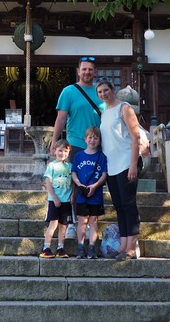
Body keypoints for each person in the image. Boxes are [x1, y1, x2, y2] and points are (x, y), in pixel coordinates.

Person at [96, 78, 141, 261]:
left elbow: (135, 136)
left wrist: (133, 164)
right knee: (119, 207)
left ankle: (131, 247)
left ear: (112, 90)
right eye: (99, 92)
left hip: (125, 163)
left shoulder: (124, 108)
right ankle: (123, 245)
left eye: (106, 90)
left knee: (129, 205)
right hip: (111, 165)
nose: (103, 94)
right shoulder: (105, 112)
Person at [51, 57, 103, 156]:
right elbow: (61, 118)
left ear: (95, 72)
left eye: (90, 69)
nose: (87, 72)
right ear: (78, 71)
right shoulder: (68, 91)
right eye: (84, 69)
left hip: (98, 143)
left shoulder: (101, 91)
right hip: (76, 143)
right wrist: (54, 141)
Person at [71, 126, 108, 259]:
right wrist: (78, 184)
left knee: (93, 221)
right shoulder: (79, 155)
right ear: (85, 139)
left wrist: (96, 185)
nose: (93, 140)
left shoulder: (102, 156)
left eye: (96, 138)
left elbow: (104, 174)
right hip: (81, 194)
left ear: (99, 140)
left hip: (96, 194)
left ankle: (92, 247)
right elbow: (74, 172)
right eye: (90, 137)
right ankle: (81, 247)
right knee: (82, 221)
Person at [39, 139, 74, 259]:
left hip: (66, 200)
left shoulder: (70, 167)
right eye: (60, 150)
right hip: (55, 200)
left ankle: (60, 247)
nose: (62, 153)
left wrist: (72, 195)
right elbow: (48, 183)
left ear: (68, 152)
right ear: (55, 151)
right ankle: (46, 247)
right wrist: (54, 198)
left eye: (65, 151)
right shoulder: (52, 166)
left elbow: (73, 183)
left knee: (63, 225)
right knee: (53, 224)